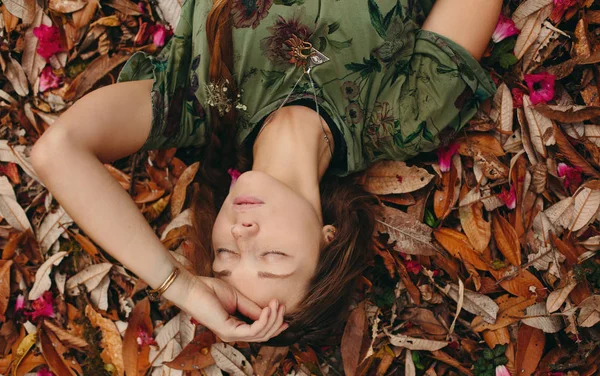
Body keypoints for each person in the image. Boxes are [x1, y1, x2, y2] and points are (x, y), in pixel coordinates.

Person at [31, 0, 502, 344]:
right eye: (272, 256)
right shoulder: (403, 116)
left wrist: (183, 287)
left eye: (224, 255)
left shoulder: (204, 104)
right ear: (328, 237)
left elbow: (58, 151)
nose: (242, 232)